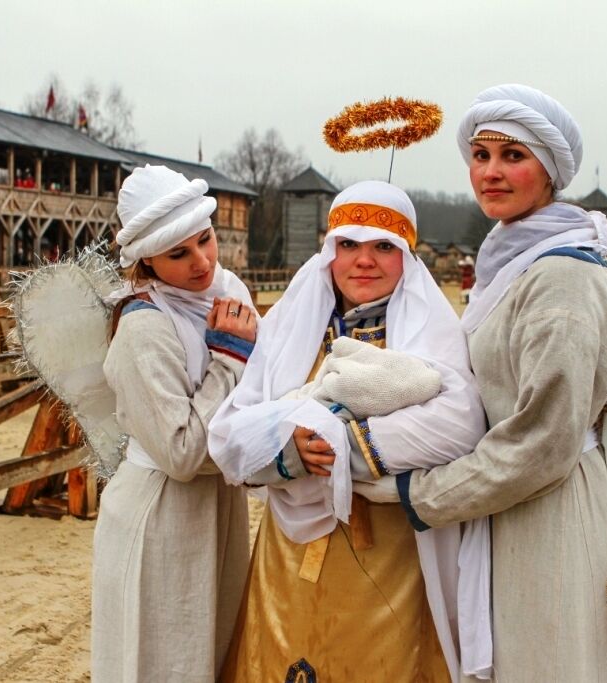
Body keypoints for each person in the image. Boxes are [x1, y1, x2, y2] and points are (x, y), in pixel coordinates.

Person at [356, 84, 607, 681]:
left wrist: (423, 494)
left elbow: (545, 439)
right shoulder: (509, 260)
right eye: (480, 155)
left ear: (551, 171)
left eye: (513, 156)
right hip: (504, 501)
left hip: (549, 510)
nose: (490, 172)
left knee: (550, 659)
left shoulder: (561, 275)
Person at [209, 181, 489, 682]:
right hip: (290, 554)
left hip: (394, 553)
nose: (365, 260)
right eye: (349, 245)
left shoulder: (434, 333)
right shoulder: (292, 328)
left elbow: (462, 423)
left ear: (406, 254)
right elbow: (229, 434)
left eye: (384, 246)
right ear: (329, 251)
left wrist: (342, 448)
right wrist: (288, 450)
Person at [91, 165, 256, 682]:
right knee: (164, 660)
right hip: (162, 511)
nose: (202, 261)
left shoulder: (227, 294)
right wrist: (229, 359)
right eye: (179, 254)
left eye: (205, 241)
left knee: (215, 652)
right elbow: (181, 453)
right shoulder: (144, 327)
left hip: (219, 507)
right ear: (147, 261)